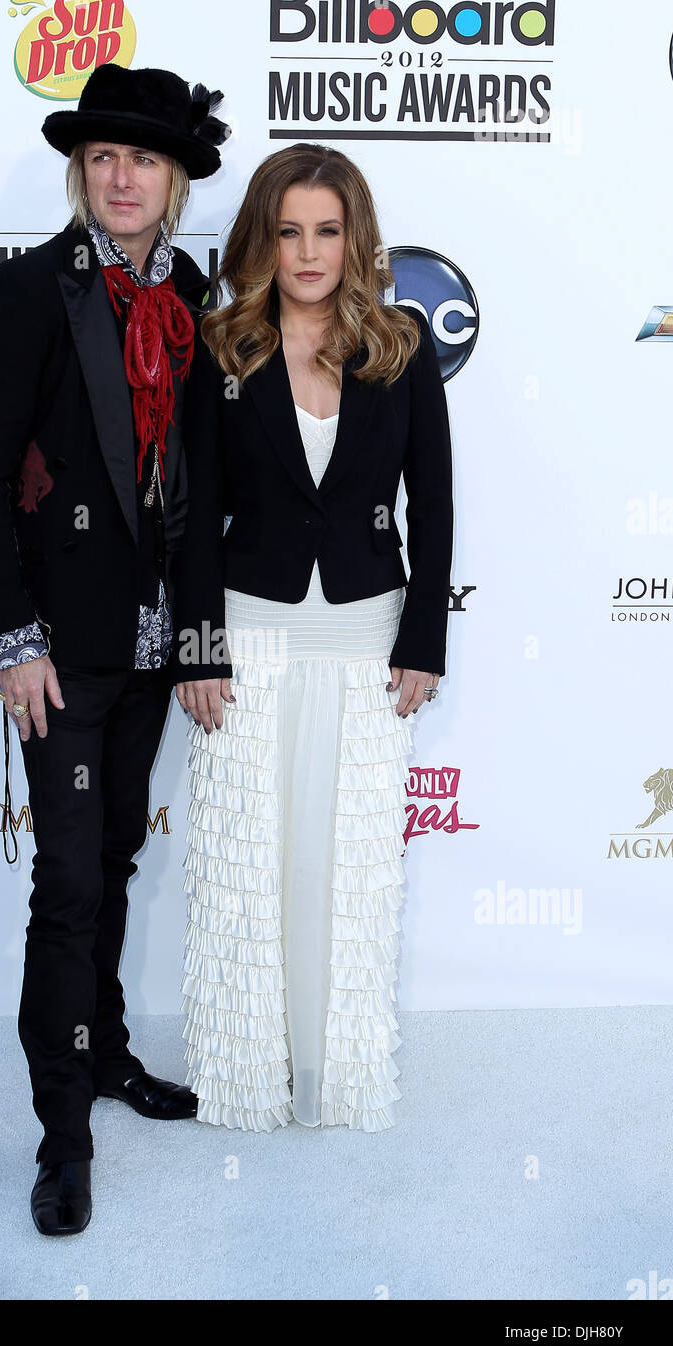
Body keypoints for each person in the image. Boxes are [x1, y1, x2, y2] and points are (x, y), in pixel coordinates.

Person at [0, 63, 229, 1234]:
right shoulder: (30, 292)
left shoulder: (194, 291)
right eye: (104, 158)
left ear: (175, 181)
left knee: (113, 858)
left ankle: (106, 1052)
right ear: (82, 172)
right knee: (65, 885)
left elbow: (200, 487)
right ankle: (61, 1135)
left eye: (146, 160)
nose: (123, 178)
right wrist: (15, 641)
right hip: (59, 649)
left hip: (155, 643)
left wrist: (201, 639)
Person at [173, 143, 454, 1133]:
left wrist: (424, 638)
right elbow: (192, 511)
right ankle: (248, 1080)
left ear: (354, 238)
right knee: (252, 864)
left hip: (368, 636)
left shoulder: (402, 347)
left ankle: (337, 1079)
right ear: (263, 235)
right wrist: (198, 646)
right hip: (249, 635)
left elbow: (437, 503)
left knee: (349, 867)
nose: (306, 251)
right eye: (288, 230)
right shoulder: (222, 348)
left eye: (326, 230)